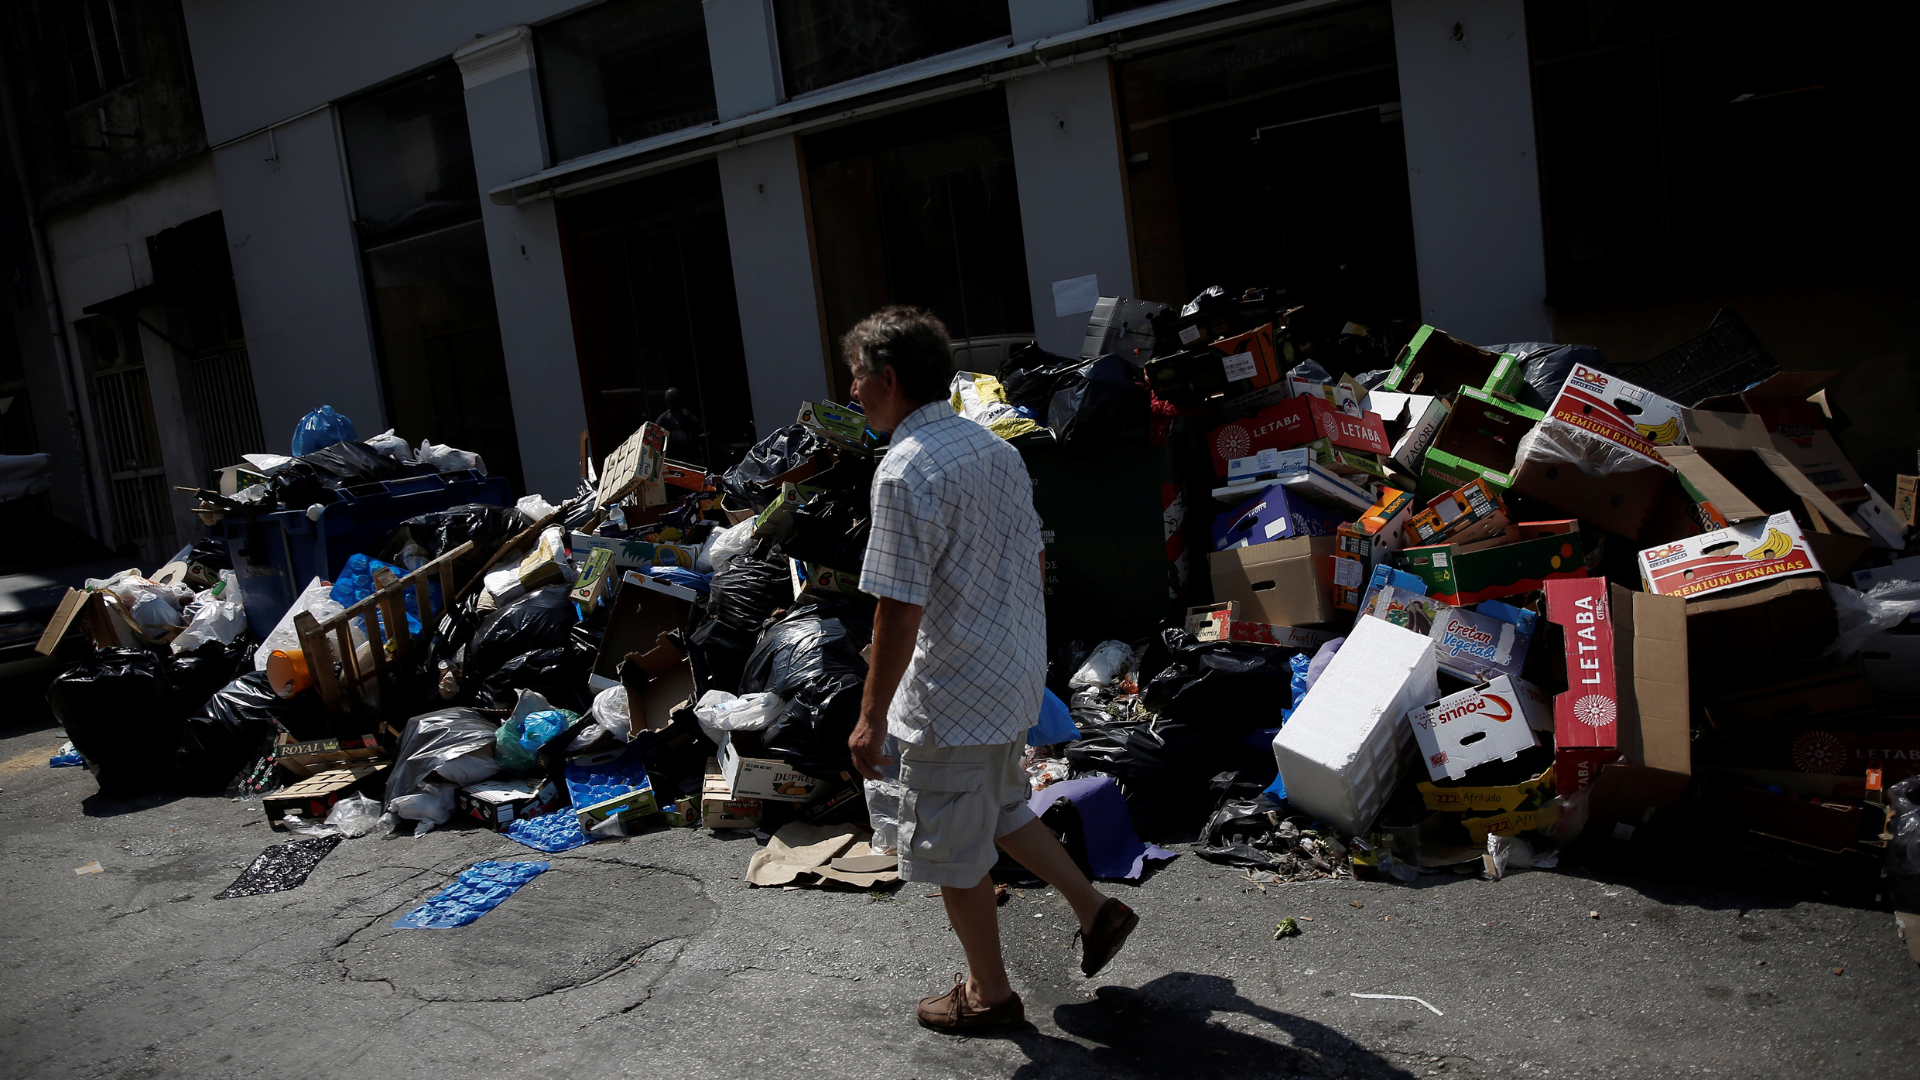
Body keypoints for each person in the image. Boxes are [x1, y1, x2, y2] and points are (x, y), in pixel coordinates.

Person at [845, 305, 1140, 1033]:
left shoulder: (903, 471)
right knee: (1005, 807)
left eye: (856, 377)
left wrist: (870, 716)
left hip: (952, 692)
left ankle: (989, 994)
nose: (851, 391)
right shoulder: (992, 448)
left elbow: (897, 610)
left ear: (888, 379)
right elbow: (1034, 559)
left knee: (950, 853)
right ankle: (1096, 910)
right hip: (1009, 676)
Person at [654, 387, 705, 461]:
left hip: (688, 450)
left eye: (677, 401)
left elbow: (698, 426)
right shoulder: (664, 417)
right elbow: (656, 432)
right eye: (673, 401)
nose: (675, 404)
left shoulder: (685, 414)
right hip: (674, 452)